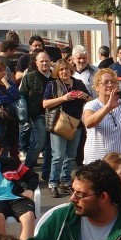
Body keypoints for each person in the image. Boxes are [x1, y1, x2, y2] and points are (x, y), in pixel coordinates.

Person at [43, 59, 91, 197]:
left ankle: (65, 181)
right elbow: (45, 104)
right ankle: (53, 182)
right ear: (57, 72)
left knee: (70, 155)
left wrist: (84, 96)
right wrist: (63, 98)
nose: (64, 72)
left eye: (67, 69)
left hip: (76, 123)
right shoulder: (52, 85)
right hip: (60, 123)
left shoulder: (78, 83)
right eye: (61, 70)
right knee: (58, 155)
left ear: (71, 70)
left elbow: (90, 100)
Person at [82, 68, 121, 164]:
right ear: (97, 87)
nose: (110, 85)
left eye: (113, 82)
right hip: (98, 161)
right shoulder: (92, 105)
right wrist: (108, 107)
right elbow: (88, 123)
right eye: (105, 82)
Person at [18, 51, 53, 175]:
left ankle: (47, 173)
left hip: (55, 116)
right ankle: (26, 172)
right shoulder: (29, 77)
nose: (44, 63)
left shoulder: (56, 76)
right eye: (41, 61)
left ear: (50, 61)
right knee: (38, 144)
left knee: (50, 147)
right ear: (36, 63)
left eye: (46, 60)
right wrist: (24, 116)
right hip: (38, 116)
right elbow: (22, 96)